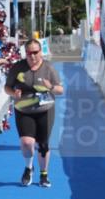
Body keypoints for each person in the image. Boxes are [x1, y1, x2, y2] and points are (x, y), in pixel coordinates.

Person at [5, 39, 64, 187]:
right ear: (25, 53)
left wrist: (50, 87)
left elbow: (60, 90)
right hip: (24, 110)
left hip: (45, 110)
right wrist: (14, 93)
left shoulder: (49, 68)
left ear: (40, 52)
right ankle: (28, 168)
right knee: (26, 143)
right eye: (29, 53)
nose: (32, 56)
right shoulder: (18, 67)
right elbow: (7, 87)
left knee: (43, 144)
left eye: (35, 52)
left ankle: (44, 174)